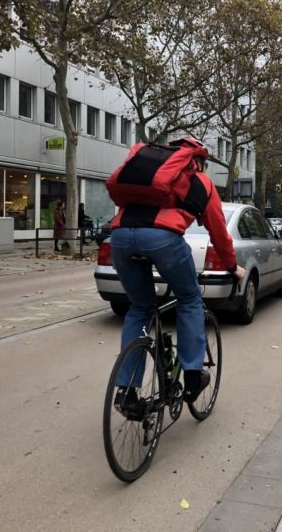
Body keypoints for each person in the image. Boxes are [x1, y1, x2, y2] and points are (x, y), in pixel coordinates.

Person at [109, 138, 246, 407]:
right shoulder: (200, 182)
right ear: (200, 163)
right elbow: (218, 232)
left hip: (121, 237)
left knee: (140, 308)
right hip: (164, 241)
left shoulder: (145, 176)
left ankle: (126, 391)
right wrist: (231, 267)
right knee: (190, 298)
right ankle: (193, 375)